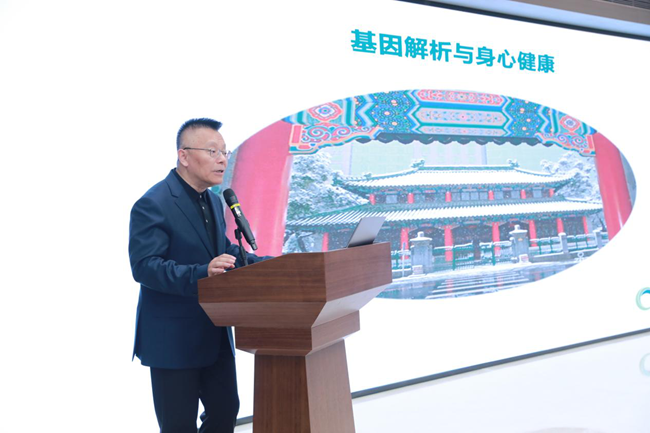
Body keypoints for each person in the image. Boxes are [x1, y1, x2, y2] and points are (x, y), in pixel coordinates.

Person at [129, 118, 266, 433]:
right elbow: (145, 266)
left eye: (224, 152)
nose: (222, 159)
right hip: (173, 339)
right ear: (184, 156)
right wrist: (203, 272)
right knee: (178, 426)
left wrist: (270, 263)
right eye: (212, 151)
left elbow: (223, 251)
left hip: (213, 331)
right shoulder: (153, 203)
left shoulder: (214, 201)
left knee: (225, 413)